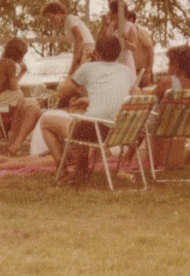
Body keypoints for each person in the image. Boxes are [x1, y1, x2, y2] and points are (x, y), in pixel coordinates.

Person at [39, 35, 135, 175]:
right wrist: (89, 101)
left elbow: (61, 92)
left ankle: (62, 169)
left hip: (97, 131)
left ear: (97, 52)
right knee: (84, 116)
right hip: (121, 131)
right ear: (118, 53)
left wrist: (81, 65)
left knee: (46, 122)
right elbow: (119, 98)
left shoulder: (88, 68)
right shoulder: (126, 71)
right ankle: (81, 167)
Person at [41, 1, 95, 75]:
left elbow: (79, 39)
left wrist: (75, 61)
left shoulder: (70, 19)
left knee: (76, 75)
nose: (52, 21)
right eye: (50, 19)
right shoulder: (66, 23)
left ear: (58, 12)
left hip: (87, 49)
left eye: (52, 17)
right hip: (83, 50)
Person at [96, 0, 139, 78]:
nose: (109, 14)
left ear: (118, 13)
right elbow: (100, 41)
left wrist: (126, 41)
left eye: (111, 12)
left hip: (124, 60)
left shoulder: (129, 26)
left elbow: (134, 47)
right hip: (111, 61)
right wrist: (103, 25)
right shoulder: (111, 25)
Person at [126, 11, 155, 86]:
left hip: (143, 70)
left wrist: (148, 71)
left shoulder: (141, 32)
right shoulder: (124, 33)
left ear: (131, 20)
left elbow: (151, 50)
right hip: (131, 69)